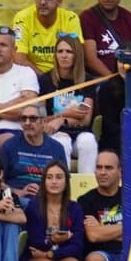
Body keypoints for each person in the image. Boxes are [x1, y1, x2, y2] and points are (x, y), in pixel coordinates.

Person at [22, 160, 85, 261]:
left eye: (59, 177)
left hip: (58, 256)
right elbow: (35, 242)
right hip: (34, 260)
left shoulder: (75, 208)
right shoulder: (34, 206)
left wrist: (50, 253)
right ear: (44, 182)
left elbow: (78, 245)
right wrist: (54, 241)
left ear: (66, 182)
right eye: (49, 177)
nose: (54, 182)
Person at [39, 34, 98, 173]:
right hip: (55, 134)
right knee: (62, 142)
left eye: (69, 51)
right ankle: (63, 188)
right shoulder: (46, 79)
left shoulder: (87, 80)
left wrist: (61, 119)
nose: (64, 56)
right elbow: (42, 119)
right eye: (60, 51)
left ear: (76, 54)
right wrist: (69, 114)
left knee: (88, 141)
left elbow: (85, 119)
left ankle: (87, 186)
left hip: (80, 133)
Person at [12, 0, 80, 75]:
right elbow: (19, 59)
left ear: (59, 1)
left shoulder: (70, 18)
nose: (42, 2)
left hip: (64, 76)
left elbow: (76, 56)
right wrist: (46, 81)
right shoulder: (23, 18)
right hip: (32, 77)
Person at [0, 104, 67, 197]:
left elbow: (64, 181)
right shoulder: (9, 146)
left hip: (47, 199)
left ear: (43, 121)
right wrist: (17, 192)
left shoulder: (57, 148)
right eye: (24, 118)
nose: (27, 123)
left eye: (33, 119)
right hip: (17, 198)